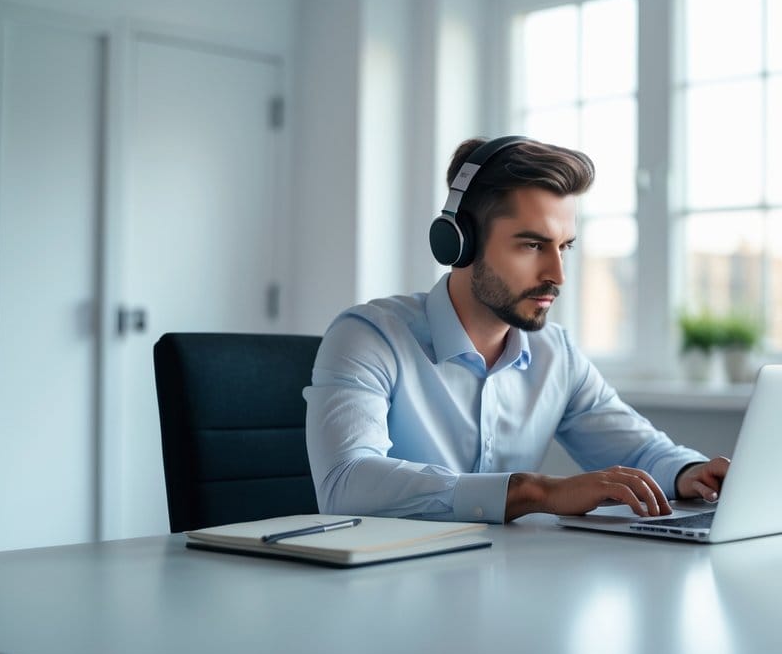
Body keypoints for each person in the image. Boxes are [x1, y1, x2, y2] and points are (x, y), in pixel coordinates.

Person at [304, 136, 730, 523]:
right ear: (458, 242)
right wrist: (532, 491)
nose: (557, 274)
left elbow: (639, 451)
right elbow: (346, 482)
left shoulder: (554, 353)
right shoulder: (368, 337)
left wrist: (693, 472)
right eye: (532, 245)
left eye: (565, 247)